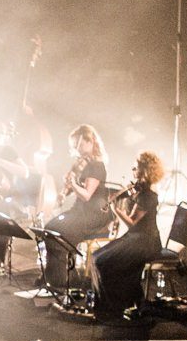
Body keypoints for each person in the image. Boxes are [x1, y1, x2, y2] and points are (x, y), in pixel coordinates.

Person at [88, 151, 164, 320]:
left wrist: (116, 208)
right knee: (95, 256)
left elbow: (132, 222)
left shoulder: (148, 196)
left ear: (144, 171)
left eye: (136, 167)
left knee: (103, 262)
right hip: (135, 238)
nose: (132, 170)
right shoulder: (139, 191)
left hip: (145, 242)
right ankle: (104, 306)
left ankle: (111, 308)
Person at [42, 124, 110, 289]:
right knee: (50, 228)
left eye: (79, 144)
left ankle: (66, 278)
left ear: (90, 141)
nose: (76, 149)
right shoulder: (84, 164)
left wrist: (72, 183)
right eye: (74, 146)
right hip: (79, 211)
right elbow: (79, 191)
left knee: (60, 234)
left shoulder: (97, 166)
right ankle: (53, 276)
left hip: (92, 216)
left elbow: (87, 195)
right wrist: (65, 192)